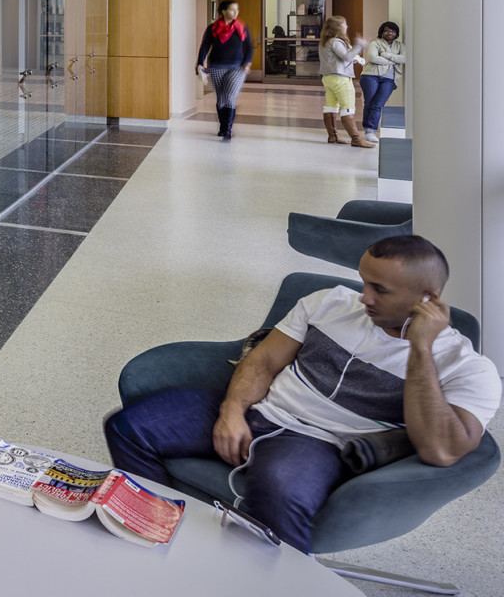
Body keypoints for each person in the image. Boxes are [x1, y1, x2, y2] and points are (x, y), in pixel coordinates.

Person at [104, 235, 500, 553]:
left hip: (320, 443)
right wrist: (232, 412)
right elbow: (262, 363)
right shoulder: (328, 302)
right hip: (262, 409)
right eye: (363, 281)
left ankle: (277, 583)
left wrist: (420, 350)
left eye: (379, 289)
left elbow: (441, 451)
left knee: (280, 486)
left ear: (427, 298)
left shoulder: (467, 367)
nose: (364, 297)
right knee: (130, 426)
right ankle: (156, 529)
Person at [197, 0, 254, 140]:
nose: (236, 12)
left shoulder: (242, 27)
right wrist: (199, 63)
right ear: (223, 11)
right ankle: (223, 128)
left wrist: (247, 62)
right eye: (232, 9)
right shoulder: (212, 28)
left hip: (237, 67)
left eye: (237, 10)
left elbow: (249, 47)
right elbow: (204, 46)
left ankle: (227, 130)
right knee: (221, 99)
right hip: (216, 66)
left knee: (230, 97)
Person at [320, 15, 373, 148]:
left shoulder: (325, 42)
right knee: (348, 107)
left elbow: (337, 58)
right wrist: (359, 46)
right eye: (345, 24)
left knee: (331, 107)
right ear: (338, 27)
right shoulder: (336, 42)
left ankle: (333, 136)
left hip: (328, 78)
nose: (347, 27)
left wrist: (354, 58)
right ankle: (356, 139)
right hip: (341, 79)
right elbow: (345, 57)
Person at [361, 21, 405, 141]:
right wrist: (393, 61)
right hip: (370, 76)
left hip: (389, 79)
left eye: (392, 31)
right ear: (382, 32)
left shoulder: (400, 46)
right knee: (369, 103)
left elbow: (404, 58)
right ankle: (368, 131)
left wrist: (385, 55)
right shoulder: (375, 43)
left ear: (396, 33)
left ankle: (370, 130)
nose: (389, 33)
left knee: (378, 104)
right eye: (386, 30)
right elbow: (373, 58)